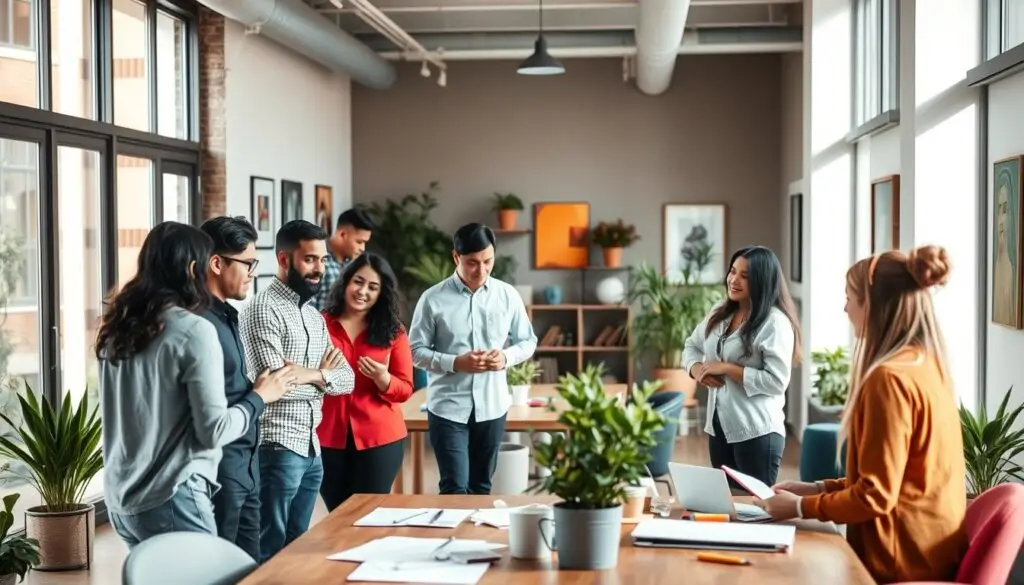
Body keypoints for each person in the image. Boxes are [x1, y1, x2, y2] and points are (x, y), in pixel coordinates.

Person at [759, 246, 968, 584]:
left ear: (873, 306)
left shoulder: (889, 379)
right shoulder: (928, 366)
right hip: (929, 553)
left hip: (897, 563)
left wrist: (798, 508)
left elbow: (876, 495)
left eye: (849, 298)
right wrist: (816, 488)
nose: (845, 308)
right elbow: (896, 480)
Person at [97, 221, 295, 548]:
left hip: (122, 500)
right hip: (172, 495)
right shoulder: (192, 330)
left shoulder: (118, 326)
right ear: (194, 268)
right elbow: (213, 431)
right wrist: (260, 397)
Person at [238, 219, 356, 562]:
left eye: (322, 259)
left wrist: (308, 374)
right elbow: (275, 387)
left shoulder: (313, 317)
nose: (319, 269)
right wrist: (322, 378)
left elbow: (347, 380)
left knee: (298, 547)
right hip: (277, 446)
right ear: (285, 260)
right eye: (310, 260)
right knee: (269, 546)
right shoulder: (263, 310)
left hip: (310, 447)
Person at [409, 223, 538, 495]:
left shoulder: (507, 295)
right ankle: (451, 538)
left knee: (482, 487)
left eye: (487, 261)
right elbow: (414, 351)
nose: (481, 270)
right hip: (447, 409)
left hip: (492, 407)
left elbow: (528, 341)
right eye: (472, 262)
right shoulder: (432, 299)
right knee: (454, 487)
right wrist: (455, 362)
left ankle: (474, 539)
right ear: (456, 257)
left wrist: (504, 357)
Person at [682, 245, 801, 487]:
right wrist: (697, 371)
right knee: (727, 506)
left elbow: (777, 382)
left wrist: (727, 369)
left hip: (757, 432)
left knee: (755, 511)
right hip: (719, 428)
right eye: (733, 271)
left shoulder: (774, 323)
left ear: (762, 281)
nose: (734, 280)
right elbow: (691, 346)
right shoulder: (720, 312)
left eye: (745, 276)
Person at [318, 253, 413, 510]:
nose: (362, 292)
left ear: (382, 293)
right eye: (358, 282)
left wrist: (384, 379)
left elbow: (405, 388)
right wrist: (320, 373)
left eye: (373, 287)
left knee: (368, 515)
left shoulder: (394, 331)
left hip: (379, 439)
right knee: (337, 515)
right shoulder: (319, 324)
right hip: (327, 437)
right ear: (346, 282)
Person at [198, 216, 265, 560]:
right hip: (221, 470)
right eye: (248, 263)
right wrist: (263, 393)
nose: (252, 272)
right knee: (218, 566)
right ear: (216, 263)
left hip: (247, 465)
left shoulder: (228, 314)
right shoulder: (198, 325)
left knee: (250, 569)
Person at [313, 208, 375, 310]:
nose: (362, 249)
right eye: (359, 242)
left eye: (365, 243)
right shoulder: (318, 262)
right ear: (343, 234)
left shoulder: (354, 265)